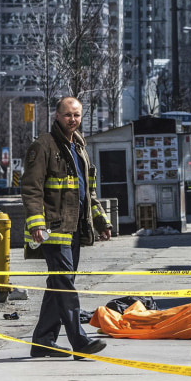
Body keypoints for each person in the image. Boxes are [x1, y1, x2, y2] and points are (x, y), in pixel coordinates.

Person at [21, 97, 111, 359]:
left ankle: (43, 342)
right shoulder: (43, 146)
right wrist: (36, 224)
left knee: (59, 283)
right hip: (53, 230)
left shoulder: (79, 147)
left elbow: (88, 192)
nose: (73, 119)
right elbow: (31, 189)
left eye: (77, 115)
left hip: (74, 228)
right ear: (56, 116)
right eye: (68, 115)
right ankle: (79, 341)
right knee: (65, 286)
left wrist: (101, 220)